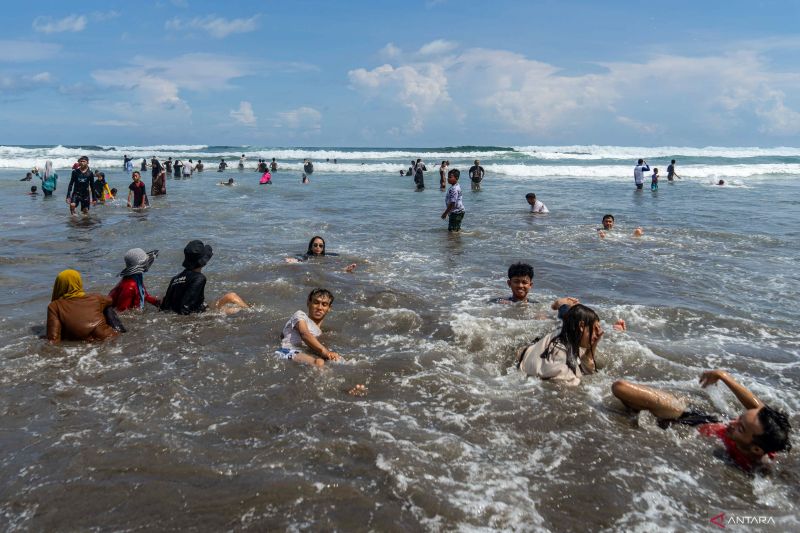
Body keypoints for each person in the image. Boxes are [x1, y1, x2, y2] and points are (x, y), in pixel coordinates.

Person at [611, 370, 792, 471]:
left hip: (685, 430)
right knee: (621, 388)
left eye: (741, 428)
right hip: (693, 417)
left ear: (756, 449)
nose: (732, 423)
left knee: (628, 404)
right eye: (739, 419)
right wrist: (723, 376)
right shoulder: (761, 428)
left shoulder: (751, 467)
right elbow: (758, 408)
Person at [516, 304, 605, 385]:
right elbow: (567, 383)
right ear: (581, 326)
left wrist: (593, 344)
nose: (598, 333)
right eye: (595, 328)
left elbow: (586, 367)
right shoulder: (561, 353)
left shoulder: (560, 336)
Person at [160, 240, 248, 315]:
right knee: (231, 297)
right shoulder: (199, 278)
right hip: (202, 314)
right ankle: (249, 311)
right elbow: (185, 308)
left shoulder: (175, 278)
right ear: (203, 261)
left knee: (222, 302)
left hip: (182, 311)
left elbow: (165, 306)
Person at [46, 269, 118, 343]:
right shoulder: (97, 298)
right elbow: (110, 300)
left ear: (59, 285)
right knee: (107, 307)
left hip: (84, 347)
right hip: (110, 337)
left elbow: (53, 339)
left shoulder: (54, 306)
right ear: (78, 282)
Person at [276, 288, 342, 366]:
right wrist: (326, 352)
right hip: (286, 351)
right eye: (316, 302)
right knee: (319, 362)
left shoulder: (320, 332)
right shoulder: (300, 315)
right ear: (308, 303)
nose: (319, 308)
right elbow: (305, 334)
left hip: (304, 356)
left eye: (324, 304)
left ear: (329, 308)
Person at [285, 236, 356, 272]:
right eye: (315, 245)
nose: (318, 247)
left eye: (321, 246)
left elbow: (339, 257)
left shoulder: (328, 255)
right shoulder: (306, 256)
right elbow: (300, 258)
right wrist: (294, 260)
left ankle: (344, 269)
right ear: (311, 247)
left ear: (323, 248)